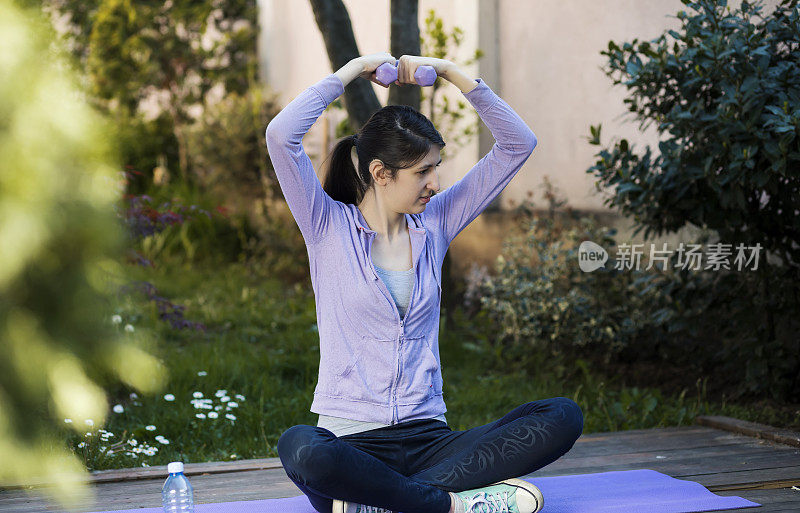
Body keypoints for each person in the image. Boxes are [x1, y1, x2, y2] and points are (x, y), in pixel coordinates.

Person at [265, 53, 583, 513]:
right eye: (423, 172)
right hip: (352, 445)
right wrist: (350, 72)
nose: (435, 182)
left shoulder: (436, 223)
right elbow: (281, 136)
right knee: (304, 448)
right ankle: (449, 505)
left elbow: (518, 143)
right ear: (380, 173)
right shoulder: (326, 227)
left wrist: (453, 74)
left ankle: (382, 503)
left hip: (430, 442)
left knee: (561, 415)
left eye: (436, 167)